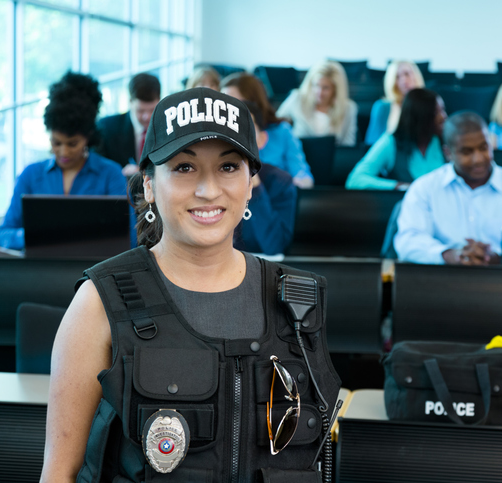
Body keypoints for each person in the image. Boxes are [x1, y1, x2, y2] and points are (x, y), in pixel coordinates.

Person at [41, 88, 341, 483]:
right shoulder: (101, 300)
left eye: (229, 167)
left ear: (252, 182)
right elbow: (60, 473)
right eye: (184, 167)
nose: (208, 190)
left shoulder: (300, 301)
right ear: (148, 184)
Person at [0, 71, 126, 250]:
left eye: (72, 144)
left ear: (88, 138)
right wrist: (38, 234)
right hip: (39, 270)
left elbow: (128, 238)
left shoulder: (110, 174)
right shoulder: (30, 175)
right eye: (56, 143)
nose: (64, 152)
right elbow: (4, 235)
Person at [394, 111, 502, 265]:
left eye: (483, 148)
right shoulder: (424, 188)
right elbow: (407, 241)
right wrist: (449, 255)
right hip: (440, 281)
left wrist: (493, 257)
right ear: (448, 153)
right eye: (467, 152)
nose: (478, 159)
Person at [222, 72, 314, 188]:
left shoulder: (282, 131)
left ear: (253, 104)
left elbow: (302, 174)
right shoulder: (220, 135)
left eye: (234, 103)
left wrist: (289, 186)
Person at [345, 88, 447, 190]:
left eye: (443, 110)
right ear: (422, 116)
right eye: (437, 112)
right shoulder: (390, 142)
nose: (444, 117)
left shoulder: (444, 142)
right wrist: (398, 186)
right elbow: (355, 180)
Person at [235, 102, 297, 255]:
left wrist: (254, 186)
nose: (236, 137)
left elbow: (274, 247)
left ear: (262, 139)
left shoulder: (281, 183)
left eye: (245, 128)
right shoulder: (206, 185)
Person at [276, 60, 358, 146]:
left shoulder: (348, 108)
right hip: (298, 156)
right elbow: (275, 125)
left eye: (326, 88)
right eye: (316, 85)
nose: (319, 92)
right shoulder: (297, 98)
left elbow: (348, 146)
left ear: (336, 90)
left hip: (330, 159)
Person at [95, 72, 161, 177]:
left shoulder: (168, 127)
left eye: (152, 110)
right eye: (140, 110)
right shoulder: (106, 128)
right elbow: (98, 169)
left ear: (159, 101)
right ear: (130, 101)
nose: (147, 116)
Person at [364, 60, 425, 145]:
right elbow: (371, 143)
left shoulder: (426, 106)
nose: (404, 80)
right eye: (397, 77)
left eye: (407, 74)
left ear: (416, 77)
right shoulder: (382, 107)